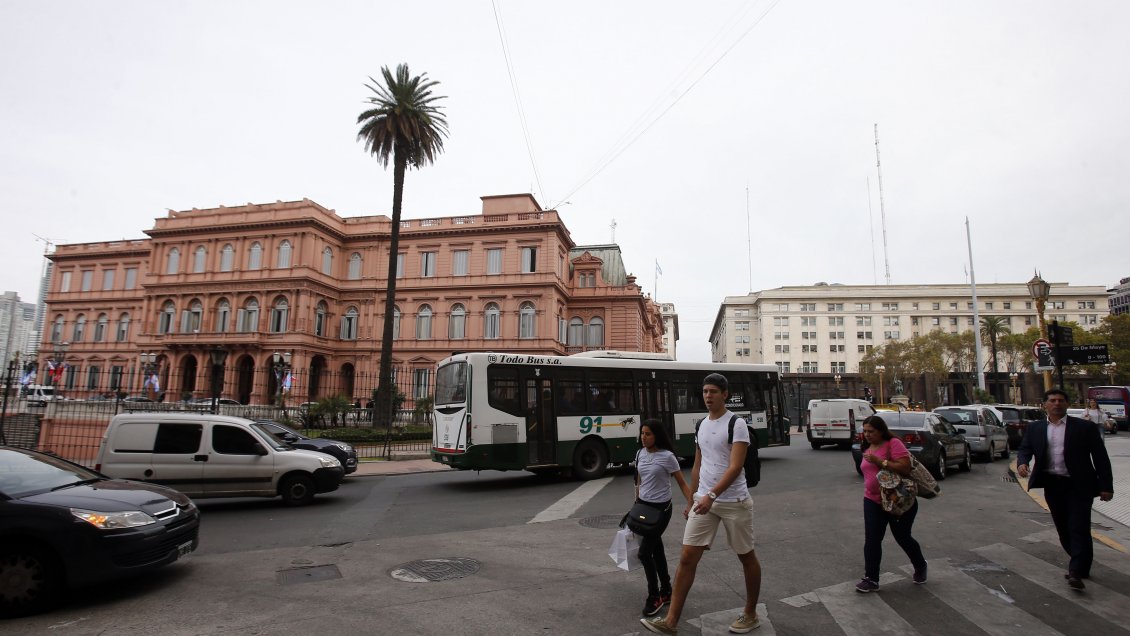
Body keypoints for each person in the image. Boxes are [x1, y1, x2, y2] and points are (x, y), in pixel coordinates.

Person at [642, 373, 761, 635]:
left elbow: (735, 467)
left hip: (734, 501)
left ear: (725, 394)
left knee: (746, 556)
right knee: (687, 558)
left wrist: (712, 496)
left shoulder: (737, 424)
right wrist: (692, 498)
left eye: (713, 391)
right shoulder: (701, 425)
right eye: (705, 391)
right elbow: (698, 464)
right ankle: (671, 621)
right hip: (704, 501)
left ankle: (751, 613)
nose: (708, 396)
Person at [1017, 389, 1114, 590]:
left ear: (1067, 404)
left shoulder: (1084, 428)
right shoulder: (1035, 428)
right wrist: (1022, 463)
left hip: (1079, 485)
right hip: (1053, 485)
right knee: (1063, 529)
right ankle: (1082, 563)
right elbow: (1025, 448)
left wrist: (1106, 486)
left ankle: (1075, 571)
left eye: (1061, 400)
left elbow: (1100, 458)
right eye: (1052, 400)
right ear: (1045, 404)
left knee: (1078, 526)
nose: (1057, 404)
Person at [856, 415, 928, 593]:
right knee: (872, 539)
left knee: (902, 537)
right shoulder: (866, 446)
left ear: (881, 431)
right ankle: (871, 579)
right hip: (872, 500)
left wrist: (880, 462)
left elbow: (905, 467)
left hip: (898, 501)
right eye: (865, 431)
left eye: (871, 431)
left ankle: (920, 565)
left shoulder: (893, 443)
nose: (867, 434)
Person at [633, 419, 694, 617]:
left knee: (644, 554)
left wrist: (691, 505)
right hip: (644, 508)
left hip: (661, 510)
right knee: (656, 550)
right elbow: (639, 481)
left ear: (656, 436)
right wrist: (636, 504)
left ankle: (654, 596)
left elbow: (682, 483)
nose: (643, 437)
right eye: (642, 433)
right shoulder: (640, 454)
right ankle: (666, 590)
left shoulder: (667, 457)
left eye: (648, 434)